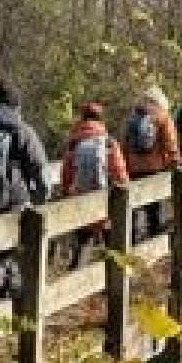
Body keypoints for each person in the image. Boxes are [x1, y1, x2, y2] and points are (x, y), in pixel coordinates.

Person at [0, 81, 51, 303]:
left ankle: (8, 300)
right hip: (14, 201)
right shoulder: (21, 131)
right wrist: (38, 202)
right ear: (16, 105)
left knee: (0, 254)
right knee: (6, 255)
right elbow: (42, 174)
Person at [60, 102, 130, 264]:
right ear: (101, 119)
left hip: (80, 202)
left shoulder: (74, 144)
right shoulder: (108, 143)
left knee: (82, 246)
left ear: (82, 118)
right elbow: (120, 174)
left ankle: (75, 282)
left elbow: (66, 174)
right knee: (113, 248)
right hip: (104, 202)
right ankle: (115, 282)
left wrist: (66, 195)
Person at [122, 86, 181, 241]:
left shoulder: (133, 117)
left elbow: (125, 143)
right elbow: (170, 142)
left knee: (133, 204)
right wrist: (175, 161)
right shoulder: (162, 116)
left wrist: (126, 164)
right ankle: (154, 240)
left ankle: (131, 239)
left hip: (133, 168)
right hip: (154, 167)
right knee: (153, 207)